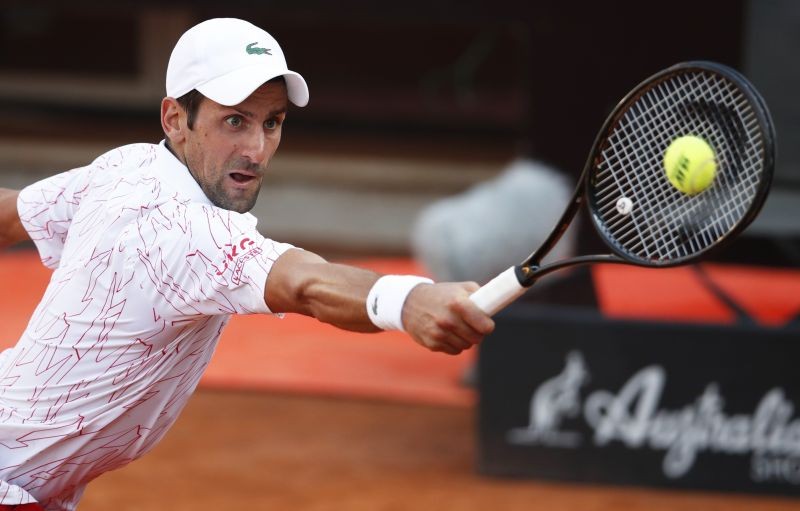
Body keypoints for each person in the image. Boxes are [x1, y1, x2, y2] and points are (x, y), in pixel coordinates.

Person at [0, 18, 494, 510]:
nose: (256, 150)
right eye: (234, 120)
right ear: (175, 119)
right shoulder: (188, 232)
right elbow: (306, 285)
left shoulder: (125, 167)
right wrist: (409, 301)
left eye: (272, 122)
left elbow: (8, 216)